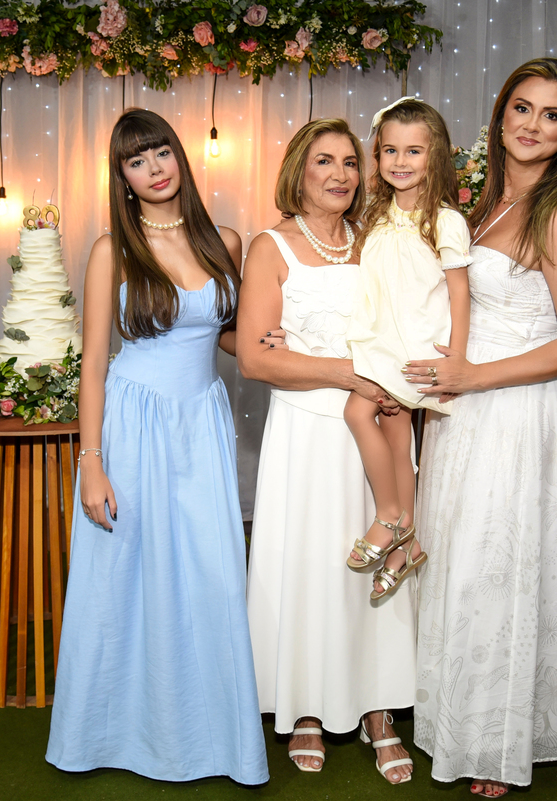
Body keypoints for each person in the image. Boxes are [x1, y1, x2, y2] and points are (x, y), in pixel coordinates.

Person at [400, 58, 557, 797]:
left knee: (503, 566)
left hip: (518, 413)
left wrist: (473, 377)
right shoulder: (484, 201)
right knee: (461, 559)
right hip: (465, 410)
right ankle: (456, 717)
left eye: (552, 115)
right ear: (500, 113)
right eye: (522, 107)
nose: (532, 125)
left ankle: (497, 742)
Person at [45, 108, 267, 785]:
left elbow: (224, 335)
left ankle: (212, 739)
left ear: (179, 156)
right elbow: (92, 363)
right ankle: (106, 733)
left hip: (202, 422)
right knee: (122, 577)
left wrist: (284, 341)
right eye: (136, 161)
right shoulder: (111, 250)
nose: (154, 168)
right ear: (123, 178)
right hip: (133, 424)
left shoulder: (224, 240)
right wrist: (91, 463)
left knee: (210, 572)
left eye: (161, 152)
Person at [239, 118, 416, 785]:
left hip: (376, 425)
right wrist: (349, 372)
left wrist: (386, 380)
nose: (340, 174)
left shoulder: (377, 242)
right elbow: (256, 359)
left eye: (349, 162)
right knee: (310, 564)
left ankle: (377, 707)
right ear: (299, 170)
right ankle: (306, 706)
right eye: (324, 161)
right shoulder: (270, 247)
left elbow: (406, 326)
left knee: (376, 562)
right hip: (305, 433)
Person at [344, 97, 471, 599]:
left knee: (358, 412)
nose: (400, 161)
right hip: (380, 342)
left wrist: (457, 359)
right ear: (377, 155)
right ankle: (407, 545)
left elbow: (459, 293)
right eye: (390, 150)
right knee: (399, 443)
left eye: (413, 151)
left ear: (434, 156)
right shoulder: (376, 216)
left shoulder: (445, 220)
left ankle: (390, 516)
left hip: (415, 346)